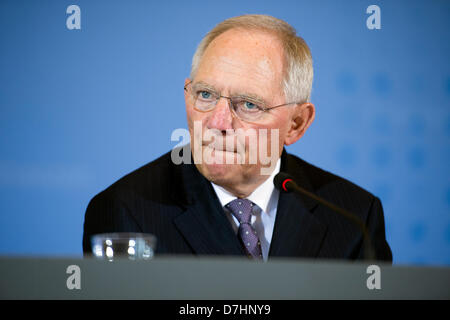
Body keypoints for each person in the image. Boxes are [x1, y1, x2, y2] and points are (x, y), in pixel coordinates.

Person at [83, 14, 392, 262]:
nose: (217, 123)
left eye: (248, 104)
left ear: (297, 123)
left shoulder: (352, 217)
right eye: (205, 94)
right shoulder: (126, 211)